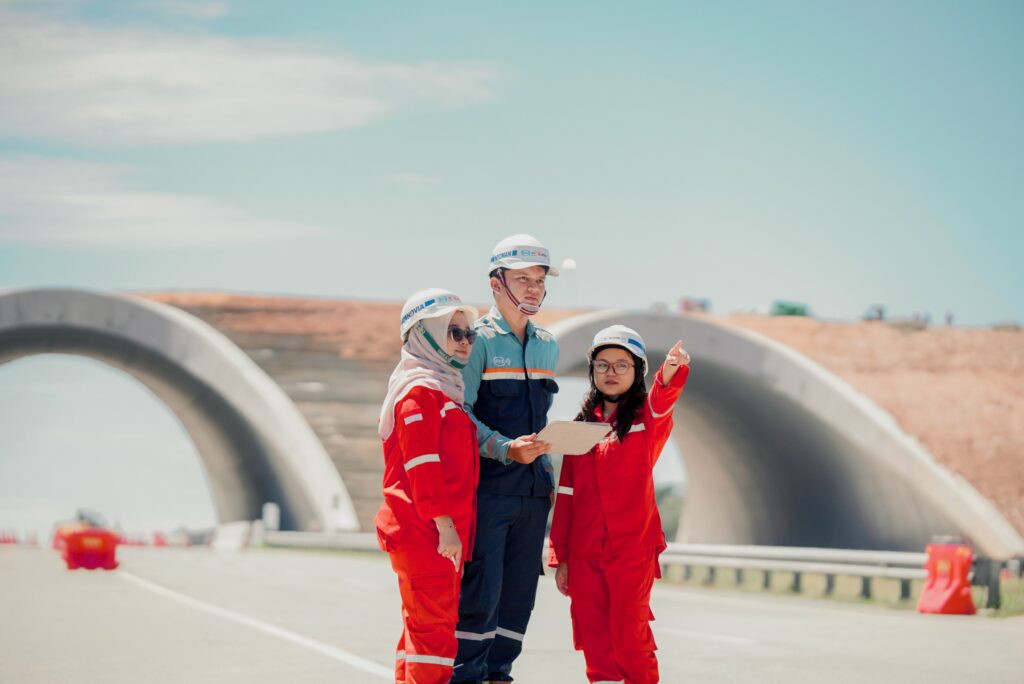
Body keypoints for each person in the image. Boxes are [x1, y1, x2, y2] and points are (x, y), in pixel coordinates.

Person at [549, 325, 691, 684]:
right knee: (595, 643)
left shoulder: (646, 422)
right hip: (583, 555)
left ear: (637, 371)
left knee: (630, 640)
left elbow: (663, 399)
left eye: (621, 365)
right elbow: (565, 497)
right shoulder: (579, 429)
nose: (610, 373)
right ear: (592, 371)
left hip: (632, 550)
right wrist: (561, 556)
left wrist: (670, 370)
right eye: (603, 365)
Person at [452, 235, 560, 684]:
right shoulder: (475, 342)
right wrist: (504, 447)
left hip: (534, 494)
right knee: (482, 595)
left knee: (519, 599)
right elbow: (460, 415)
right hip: (489, 490)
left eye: (539, 281)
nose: (533, 289)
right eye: (523, 279)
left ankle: (500, 674)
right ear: (496, 283)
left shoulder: (548, 345)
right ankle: (467, 676)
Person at [376, 288, 481, 684]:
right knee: (433, 636)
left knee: (419, 630)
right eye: (455, 332)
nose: (466, 342)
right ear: (425, 333)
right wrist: (445, 525)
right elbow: (422, 465)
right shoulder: (419, 393)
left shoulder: (441, 389)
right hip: (427, 533)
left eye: (470, 334)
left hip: (431, 532)